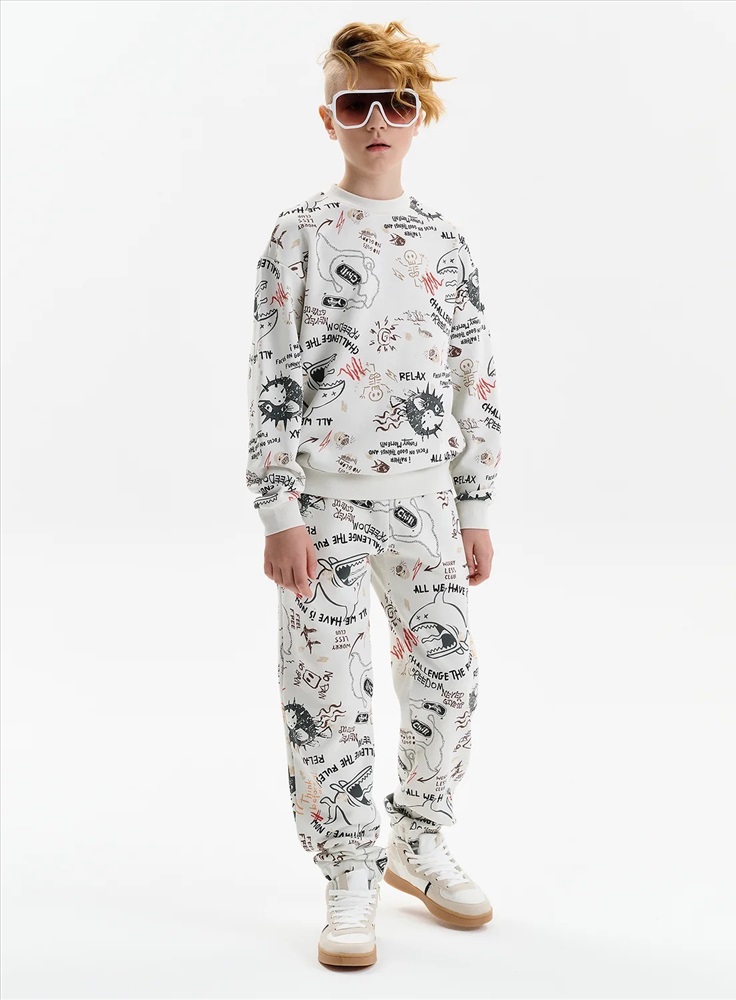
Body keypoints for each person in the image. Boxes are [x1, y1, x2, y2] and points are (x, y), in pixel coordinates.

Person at [246, 19, 502, 968]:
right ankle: (348, 870)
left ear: (419, 114)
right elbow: (272, 376)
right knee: (328, 688)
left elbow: (474, 377)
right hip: (322, 506)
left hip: (426, 505)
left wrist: (474, 505)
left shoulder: (445, 241)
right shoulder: (300, 235)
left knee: (446, 675)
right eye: (356, 104)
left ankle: (416, 840)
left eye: (396, 103)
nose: (377, 121)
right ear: (330, 120)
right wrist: (278, 509)